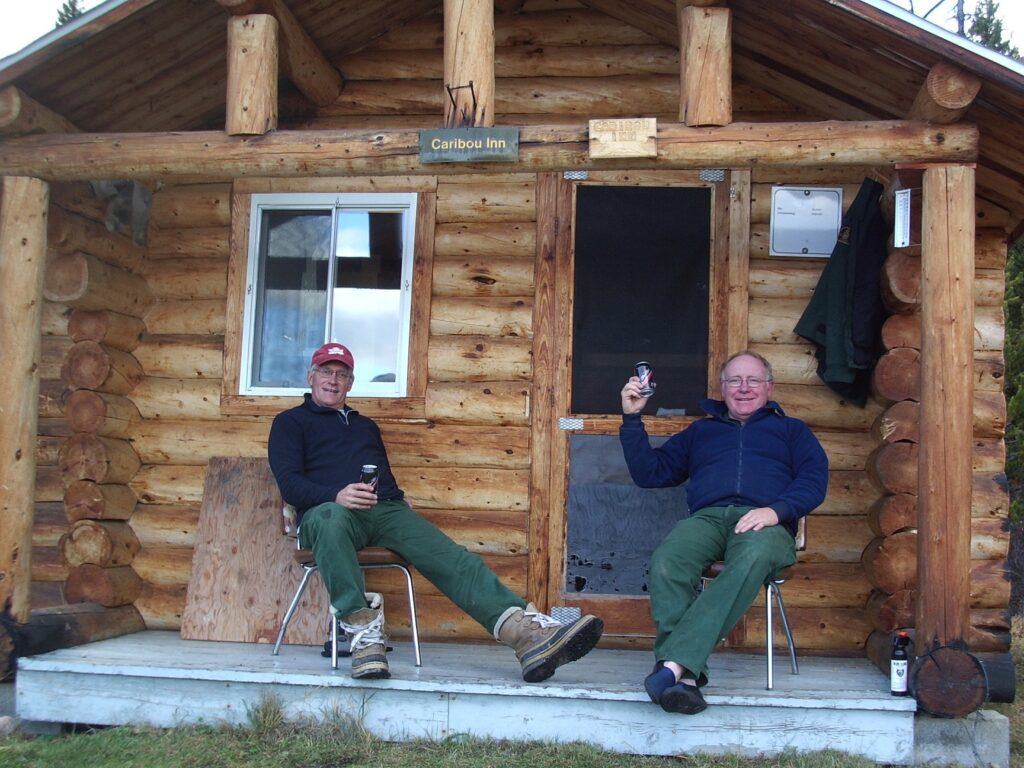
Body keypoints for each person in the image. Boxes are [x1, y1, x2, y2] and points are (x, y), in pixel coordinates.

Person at [269, 342, 604, 681]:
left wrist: (396, 499)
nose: (333, 380)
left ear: (351, 383)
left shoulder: (364, 426)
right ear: (311, 376)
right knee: (329, 517)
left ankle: (525, 634)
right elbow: (290, 485)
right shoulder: (289, 423)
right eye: (326, 372)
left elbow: (383, 475)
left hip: (381, 510)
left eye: (342, 375)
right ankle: (363, 636)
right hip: (326, 515)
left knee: (450, 556)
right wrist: (336, 495)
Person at [619, 350, 828, 714]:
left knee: (753, 555)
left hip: (766, 522)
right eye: (735, 380)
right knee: (669, 559)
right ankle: (684, 678)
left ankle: (672, 666)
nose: (743, 388)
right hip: (709, 519)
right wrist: (632, 419)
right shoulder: (702, 431)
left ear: (769, 387)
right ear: (722, 387)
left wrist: (775, 511)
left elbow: (814, 482)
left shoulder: (792, 431)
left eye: (753, 381)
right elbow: (650, 474)